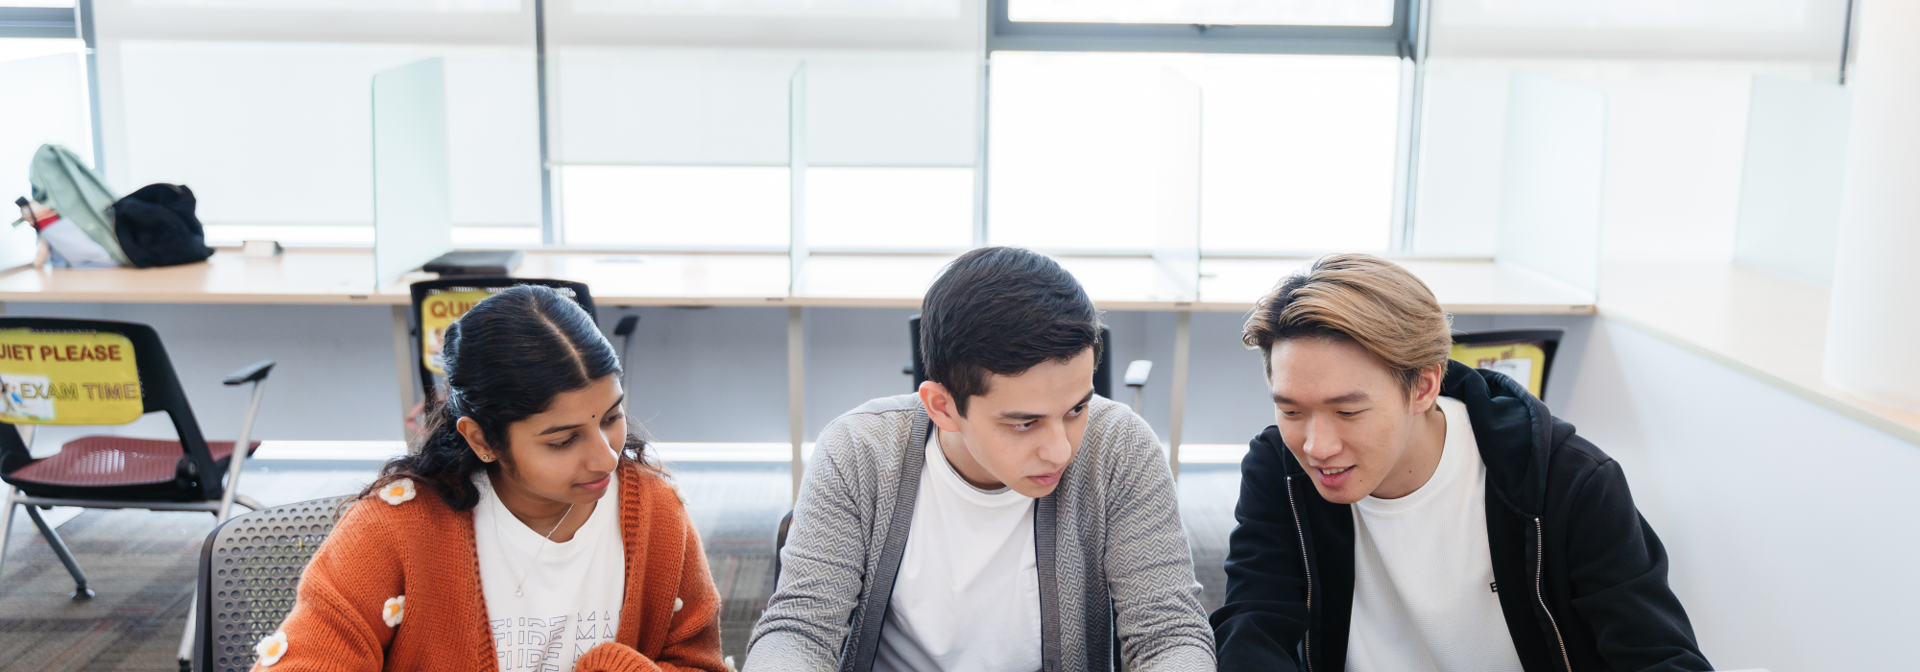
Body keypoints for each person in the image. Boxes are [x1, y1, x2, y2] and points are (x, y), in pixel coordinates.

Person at [1211, 254, 1710, 672]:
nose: (1316, 446)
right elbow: (1255, 625)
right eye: (1291, 410)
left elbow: (1660, 658)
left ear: (1424, 386)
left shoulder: (1569, 481)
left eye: (1348, 411)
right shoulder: (1279, 467)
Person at [747, 247, 1214, 672]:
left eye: (1076, 409)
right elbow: (799, 632)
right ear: (943, 407)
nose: (1061, 450)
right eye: (1023, 423)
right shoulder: (859, 452)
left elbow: (1168, 635)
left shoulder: (1120, 447)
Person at [251, 286, 728, 672]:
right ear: (482, 439)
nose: (605, 458)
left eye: (611, 417)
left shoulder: (656, 510)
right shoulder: (393, 530)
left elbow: (696, 663)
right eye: (562, 441)